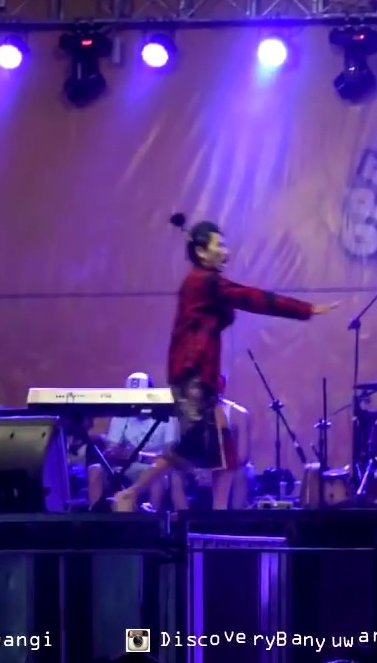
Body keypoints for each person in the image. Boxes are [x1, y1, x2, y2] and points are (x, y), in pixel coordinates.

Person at [114, 215, 337, 510]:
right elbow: (251, 298)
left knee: (226, 452)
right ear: (201, 251)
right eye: (219, 245)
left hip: (202, 376)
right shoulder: (203, 281)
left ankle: (219, 515)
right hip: (193, 375)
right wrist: (305, 309)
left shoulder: (204, 282)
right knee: (191, 444)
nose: (226, 251)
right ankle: (130, 493)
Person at [90, 372, 187, 511]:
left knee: (156, 473)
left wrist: (138, 456)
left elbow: (170, 457)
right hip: (126, 467)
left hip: (155, 467)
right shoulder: (120, 417)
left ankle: (153, 517)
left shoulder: (169, 417)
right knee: (95, 469)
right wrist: (113, 452)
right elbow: (112, 448)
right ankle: (94, 513)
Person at [211, 373, 253, 510]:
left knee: (238, 473)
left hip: (229, 464)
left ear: (222, 388)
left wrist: (216, 466)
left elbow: (242, 456)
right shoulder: (190, 413)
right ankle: (184, 521)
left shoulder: (238, 414)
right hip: (199, 466)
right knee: (175, 476)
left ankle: (226, 518)